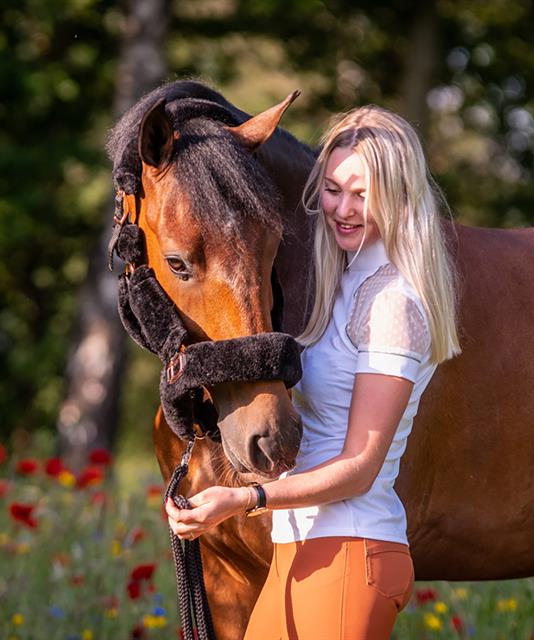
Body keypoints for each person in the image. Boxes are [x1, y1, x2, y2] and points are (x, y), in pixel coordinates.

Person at [166, 105, 461, 639]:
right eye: (332, 189)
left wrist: (245, 498)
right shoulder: (340, 287)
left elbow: (360, 467)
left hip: (351, 551)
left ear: (398, 197)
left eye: (363, 194)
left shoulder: (392, 304)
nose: (343, 209)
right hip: (299, 549)